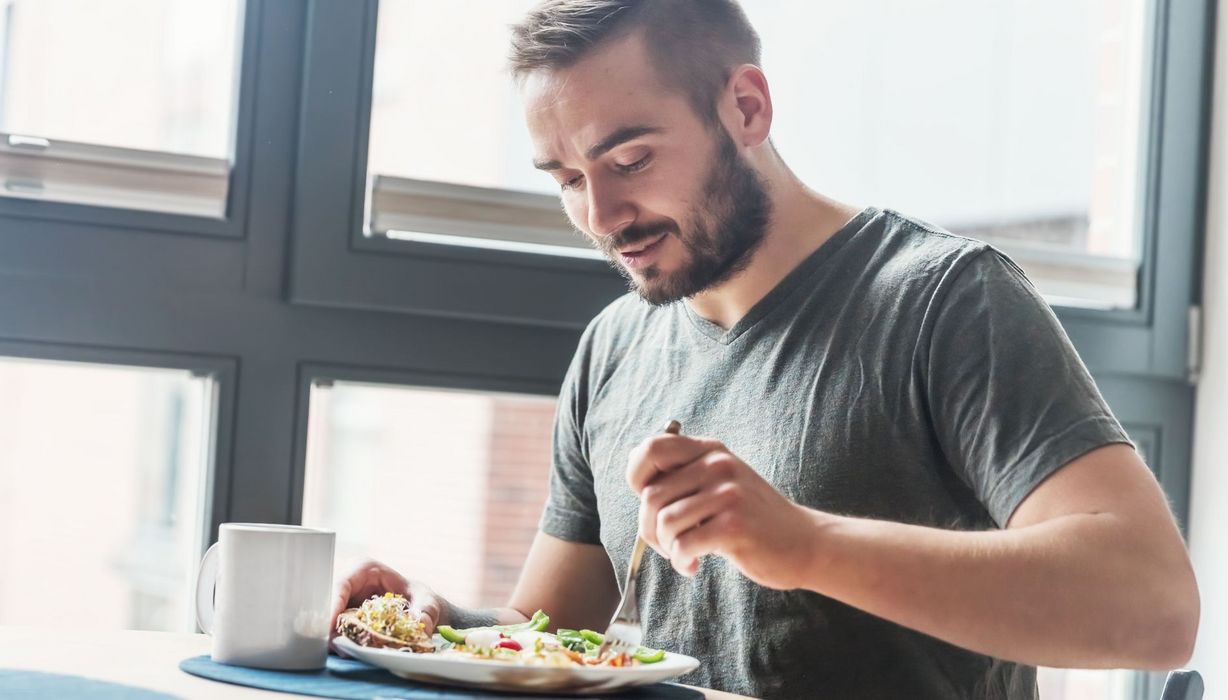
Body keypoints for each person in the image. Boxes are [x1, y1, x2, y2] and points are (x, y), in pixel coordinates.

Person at [331, 2, 1200, 697]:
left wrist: (807, 546)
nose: (599, 217)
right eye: (565, 181)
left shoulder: (947, 300)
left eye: (628, 159)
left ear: (745, 107)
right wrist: (439, 625)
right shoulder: (613, 347)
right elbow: (552, 637)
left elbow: (1153, 608)